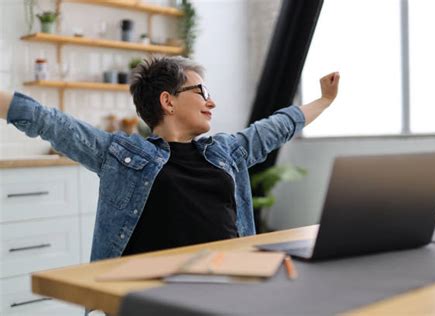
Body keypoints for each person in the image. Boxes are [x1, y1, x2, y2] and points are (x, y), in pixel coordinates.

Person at [0, 56, 339, 262]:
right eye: (202, 92)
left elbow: (276, 127)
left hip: (228, 282)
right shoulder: (122, 155)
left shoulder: (225, 151)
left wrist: (324, 100)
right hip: (155, 293)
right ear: (168, 101)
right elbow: (48, 121)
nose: (212, 102)